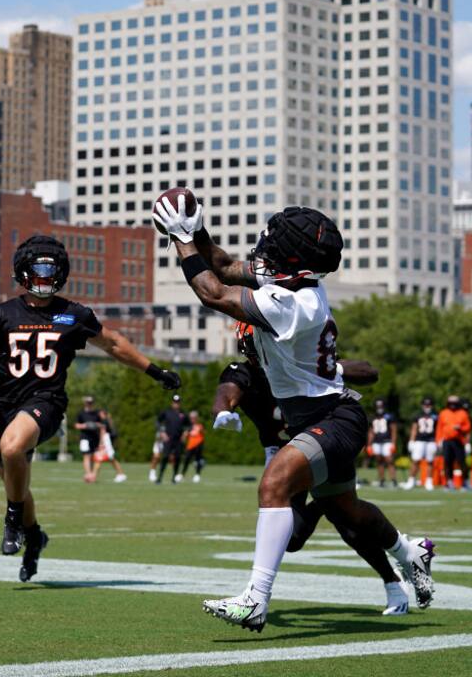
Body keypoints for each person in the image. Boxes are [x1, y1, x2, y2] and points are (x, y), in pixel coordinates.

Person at [150, 197, 434, 632]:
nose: (266, 247)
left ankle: (255, 599)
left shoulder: (296, 303)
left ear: (296, 260)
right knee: (347, 510)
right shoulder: (290, 279)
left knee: (275, 483)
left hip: (335, 417)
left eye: (276, 243)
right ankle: (407, 551)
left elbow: (214, 292)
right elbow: (223, 266)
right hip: (317, 416)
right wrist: (198, 229)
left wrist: (183, 240)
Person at [0, 234, 180, 582]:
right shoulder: (0, 314)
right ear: (22, 273)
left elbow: (112, 343)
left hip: (46, 402)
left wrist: (154, 370)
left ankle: (11, 519)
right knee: (14, 477)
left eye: (51, 272)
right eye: (38, 271)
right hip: (5, 406)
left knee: (11, 449)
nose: (45, 279)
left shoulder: (73, 314)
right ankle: (34, 535)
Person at [214, 323, 411, 615]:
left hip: (322, 440)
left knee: (347, 520)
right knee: (291, 539)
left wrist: (328, 369)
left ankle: (393, 581)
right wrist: (223, 411)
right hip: (284, 453)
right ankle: (326, 506)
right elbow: (227, 389)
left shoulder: (302, 360)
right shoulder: (244, 371)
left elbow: (369, 372)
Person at [436, 396, 472, 490]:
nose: (452, 405)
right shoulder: (443, 413)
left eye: (454, 403)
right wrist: (438, 440)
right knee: (447, 462)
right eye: (451, 403)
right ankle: (449, 482)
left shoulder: (462, 413)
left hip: (459, 441)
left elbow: (468, 427)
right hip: (447, 441)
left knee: (461, 462)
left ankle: (465, 481)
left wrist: (461, 428)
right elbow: (439, 428)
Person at [404, 398, 438, 491]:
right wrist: (411, 440)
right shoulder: (418, 415)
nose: (427, 407)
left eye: (429, 405)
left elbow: (438, 429)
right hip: (419, 440)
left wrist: (438, 441)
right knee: (415, 461)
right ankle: (411, 481)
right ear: (422, 405)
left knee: (430, 461)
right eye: (425, 405)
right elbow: (414, 428)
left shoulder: (436, 415)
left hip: (431, 440)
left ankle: (429, 481)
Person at [155, 396, 189, 484]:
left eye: (178, 402)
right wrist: (162, 432)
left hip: (178, 440)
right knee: (165, 457)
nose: (176, 404)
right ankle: (160, 477)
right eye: (174, 402)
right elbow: (158, 421)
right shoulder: (166, 412)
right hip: (168, 439)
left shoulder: (183, 413)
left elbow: (189, 425)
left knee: (177, 458)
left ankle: (174, 477)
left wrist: (186, 432)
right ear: (172, 403)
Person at [367, 399, 398, 488]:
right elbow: (371, 432)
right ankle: (381, 480)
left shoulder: (389, 416)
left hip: (387, 441)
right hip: (376, 442)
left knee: (390, 460)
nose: (379, 408)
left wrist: (393, 443)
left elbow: (393, 430)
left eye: (381, 406)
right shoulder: (373, 417)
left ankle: (393, 480)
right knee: (379, 461)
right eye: (378, 406)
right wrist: (369, 444)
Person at [74, 396, 105, 483]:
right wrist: (86, 425)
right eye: (88, 402)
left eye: (90, 402)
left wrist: (95, 425)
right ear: (85, 403)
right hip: (85, 438)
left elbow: (102, 426)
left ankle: (92, 474)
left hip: (95, 438)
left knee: (94, 457)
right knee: (86, 456)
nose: (89, 404)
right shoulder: (81, 413)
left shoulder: (96, 413)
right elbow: (76, 425)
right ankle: (88, 474)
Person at [95, 405, 127, 483]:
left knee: (108, 458)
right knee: (111, 459)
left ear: (103, 413)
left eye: (100, 413)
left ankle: (121, 474)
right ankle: (120, 474)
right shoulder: (108, 420)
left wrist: (100, 443)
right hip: (108, 440)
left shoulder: (104, 421)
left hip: (106, 441)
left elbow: (103, 432)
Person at [178, 411, 206, 483]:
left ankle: (197, 475)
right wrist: (184, 435)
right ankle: (182, 474)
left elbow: (204, 433)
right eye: (191, 418)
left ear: (196, 418)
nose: (192, 419)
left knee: (197, 461)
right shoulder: (189, 427)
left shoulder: (200, 425)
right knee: (186, 460)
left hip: (198, 446)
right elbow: (184, 437)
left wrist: (200, 429)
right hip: (190, 446)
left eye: (194, 418)